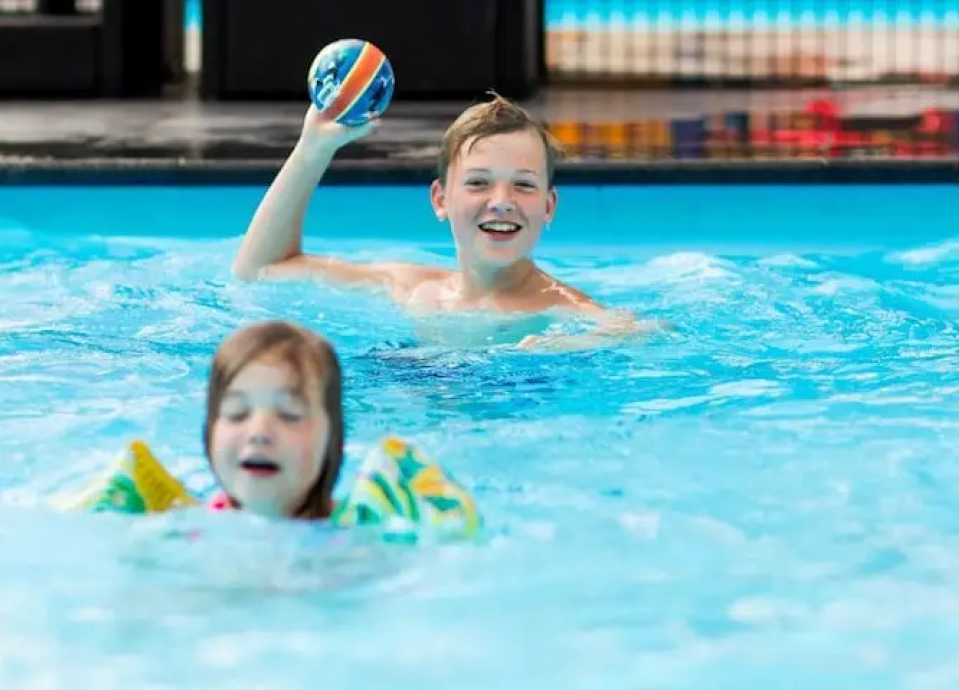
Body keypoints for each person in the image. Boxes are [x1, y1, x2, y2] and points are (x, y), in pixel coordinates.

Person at [233, 95, 635, 347]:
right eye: (478, 183)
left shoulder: (567, 313)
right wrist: (313, 148)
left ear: (548, 207)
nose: (501, 202)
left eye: (523, 186)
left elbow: (643, 334)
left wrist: (571, 344)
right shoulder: (409, 288)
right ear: (441, 199)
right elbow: (260, 269)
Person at [204, 319, 343, 519]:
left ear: (332, 438)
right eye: (237, 414)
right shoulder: (187, 529)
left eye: (289, 415)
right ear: (209, 432)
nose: (259, 432)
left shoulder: (363, 534)